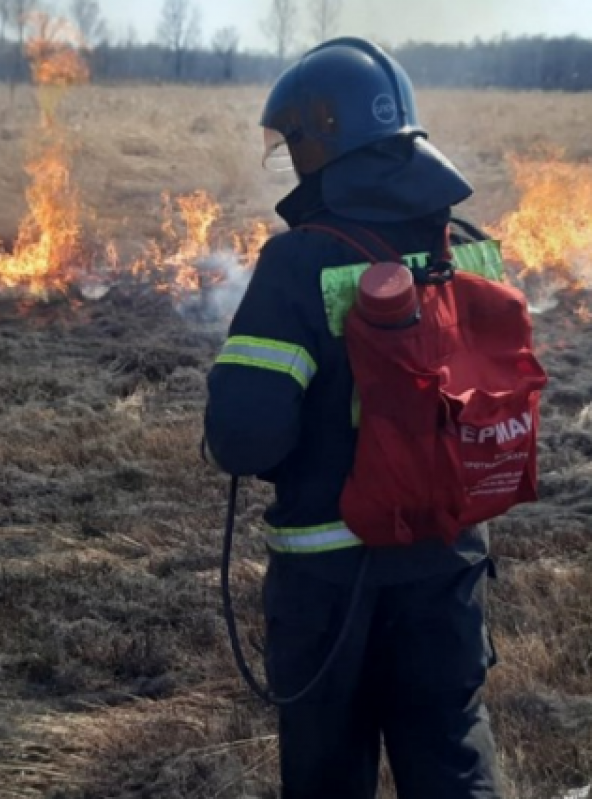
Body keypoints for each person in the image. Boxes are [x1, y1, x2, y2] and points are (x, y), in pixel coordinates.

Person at [201, 37, 503, 798]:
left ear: (322, 144)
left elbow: (244, 439)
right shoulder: (466, 248)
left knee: (329, 774)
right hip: (449, 562)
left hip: (331, 584)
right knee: (452, 757)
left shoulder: (298, 262)